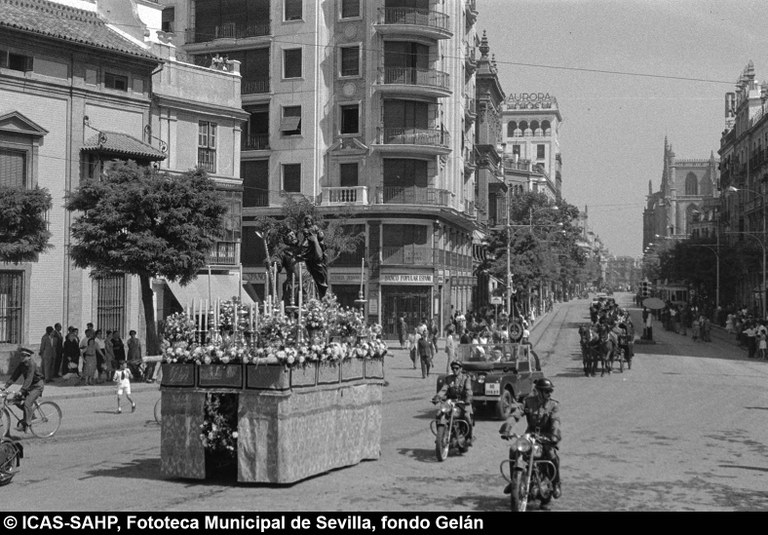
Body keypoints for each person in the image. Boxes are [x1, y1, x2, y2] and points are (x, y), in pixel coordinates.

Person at [500, 378, 561, 500]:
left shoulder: (553, 405)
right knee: (514, 449)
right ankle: (514, 481)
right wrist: (507, 426)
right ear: (539, 392)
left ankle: (556, 484)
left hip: (546, 437)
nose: (549, 394)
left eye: (550, 391)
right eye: (547, 391)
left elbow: (555, 421)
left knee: (551, 454)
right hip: (530, 434)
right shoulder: (528, 402)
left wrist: (554, 435)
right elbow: (516, 414)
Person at [2, 348, 44, 433]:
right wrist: (5, 386)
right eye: (21, 355)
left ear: (29, 357)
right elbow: (15, 376)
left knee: (27, 403)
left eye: (24, 356)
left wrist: (22, 391)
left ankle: (26, 423)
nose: (21, 357)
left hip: (37, 386)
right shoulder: (21, 364)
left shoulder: (32, 364)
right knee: (15, 400)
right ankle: (31, 415)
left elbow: (29, 379)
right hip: (29, 386)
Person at [432, 360, 474, 444]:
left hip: (463, 401)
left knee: (467, 416)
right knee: (439, 414)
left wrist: (468, 399)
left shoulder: (466, 378)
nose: (454, 370)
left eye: (457, 368)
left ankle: (469, 437)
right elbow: (444, 389)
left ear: (460, 369)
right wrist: (437, 397)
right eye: (453, 368)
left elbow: (468, 390)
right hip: (450, 401)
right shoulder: (448, 379)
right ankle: (440, 435)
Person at [299, 215, 329, 298]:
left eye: (309, 221)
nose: (308, 223)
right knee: (304, 245)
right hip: (308, 245)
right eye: (306, 221)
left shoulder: (315, 227)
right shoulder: (304, 229)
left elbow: (320, 234)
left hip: (315, 243)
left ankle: (322, 293)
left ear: (311, 221)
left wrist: (318, 236)